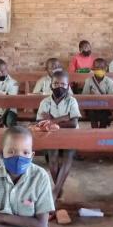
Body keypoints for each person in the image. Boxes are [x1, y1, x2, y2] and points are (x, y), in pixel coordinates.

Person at [36, 71, 81, 199]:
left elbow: (73, 123)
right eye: (55, 84)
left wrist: (53, 120)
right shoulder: (45, 102)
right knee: (52, 158)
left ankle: (55, 192)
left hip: (71, 134)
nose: (59, 87)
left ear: (68, 86)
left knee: (68, 156)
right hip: (51, 135)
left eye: (63, 84)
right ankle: (58, 187)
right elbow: (40, 122)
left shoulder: (72, 101)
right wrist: (64, 118)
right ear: (50, 85)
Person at [82, 58, 113, 128]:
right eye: (97, 68)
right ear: (93, 69)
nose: (99, 69)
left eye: (102, 68)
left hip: (104, 106)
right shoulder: (88, 81)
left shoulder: (109, 81)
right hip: (92, 106)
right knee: (92, 113)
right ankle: (94, 130)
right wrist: (90, 96)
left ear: (106, 69)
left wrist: (103, 99)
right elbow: (84, 96)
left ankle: (102, 130)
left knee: (104, 114)